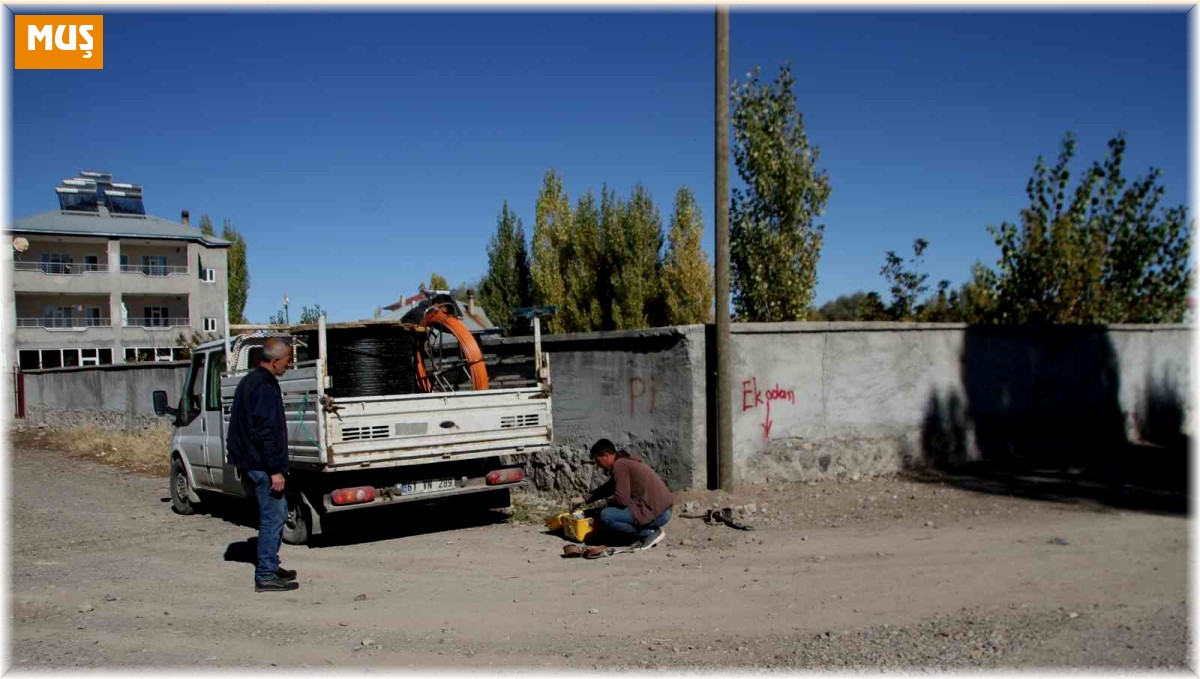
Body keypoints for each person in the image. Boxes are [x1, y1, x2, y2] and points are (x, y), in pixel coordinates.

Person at [226, 336, 299, 592]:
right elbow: (265, 432)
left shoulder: (251, 381)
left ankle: (271, 564)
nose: (288, 366)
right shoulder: (264, 387)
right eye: (288, 361)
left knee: (275, 514)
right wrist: (275, 470)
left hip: (252, 462)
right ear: (275, 360)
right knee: (272, 517)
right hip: (262, 465)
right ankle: (266, 574)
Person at [573, 438, 673, 550]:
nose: (598, 466)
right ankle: (640, 533)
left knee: (606, 515)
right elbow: (609, 488)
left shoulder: (620, 465)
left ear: (605, 455)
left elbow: (622, 499)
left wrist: (604, 503)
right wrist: (584, 498)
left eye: (598, 461)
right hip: (664, 510)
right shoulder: (624, 461)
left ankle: (649, 533)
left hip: (659, 514)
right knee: (610, 512)